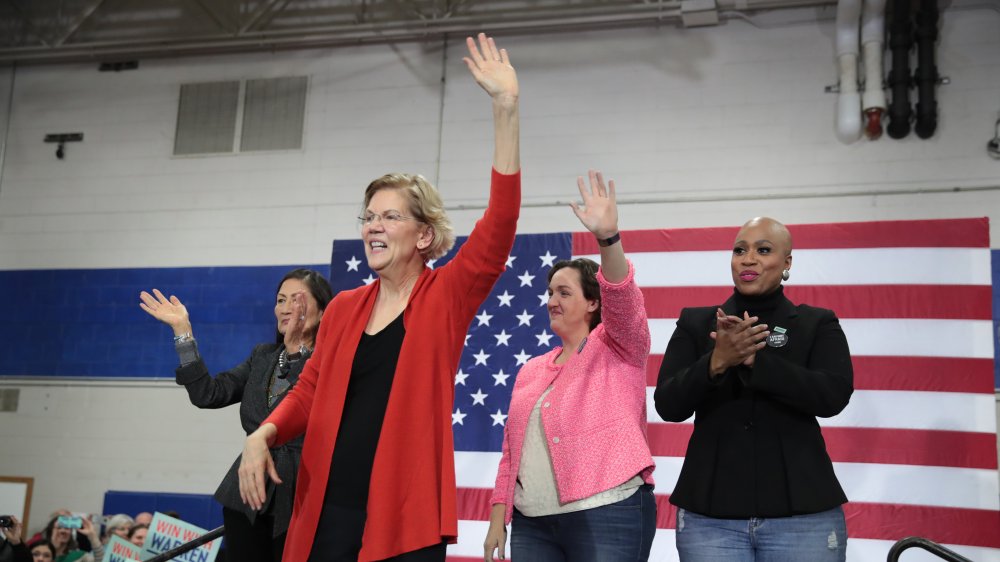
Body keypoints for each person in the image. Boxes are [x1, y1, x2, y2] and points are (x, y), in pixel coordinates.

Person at [237, 32, 521, 562]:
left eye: (390, 216)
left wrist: (505, 109)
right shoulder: (344, 307)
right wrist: (264, 435)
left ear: (423, 235)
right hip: (326, 510)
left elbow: (501, 222)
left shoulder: (446, 296)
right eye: (369, 215)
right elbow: (309, 392)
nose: (374, 225)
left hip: (402, 515)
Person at [654, 217, 854, 561]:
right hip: (711, 519)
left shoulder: (816, 322)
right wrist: (717, 361)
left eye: (763, 250)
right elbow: (668, 405)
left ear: (787, 262)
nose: (748, 259)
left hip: (802, 516)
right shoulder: (696, 323)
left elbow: (833, 395)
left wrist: (754, 362)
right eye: (739, 250)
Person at [484, 171, 656, 562]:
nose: (552, 301)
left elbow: (623, 300)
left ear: (594, 302)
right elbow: (512, 451)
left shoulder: (618, 346)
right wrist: (499, 516)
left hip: (607, 511)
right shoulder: (531, 370)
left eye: (564, 292)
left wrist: (608, 238)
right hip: (532, 524)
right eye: (549, 293)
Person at [139, 268, 333, 562]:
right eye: (281, 300)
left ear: (322, 310)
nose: (286, 309)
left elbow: (302, 402)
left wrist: (298, 352)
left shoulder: (332, 363)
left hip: (302, 495)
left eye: (297, 300)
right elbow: (208, 394)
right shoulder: (262, 356)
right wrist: (183, 333)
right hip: (246, 495)